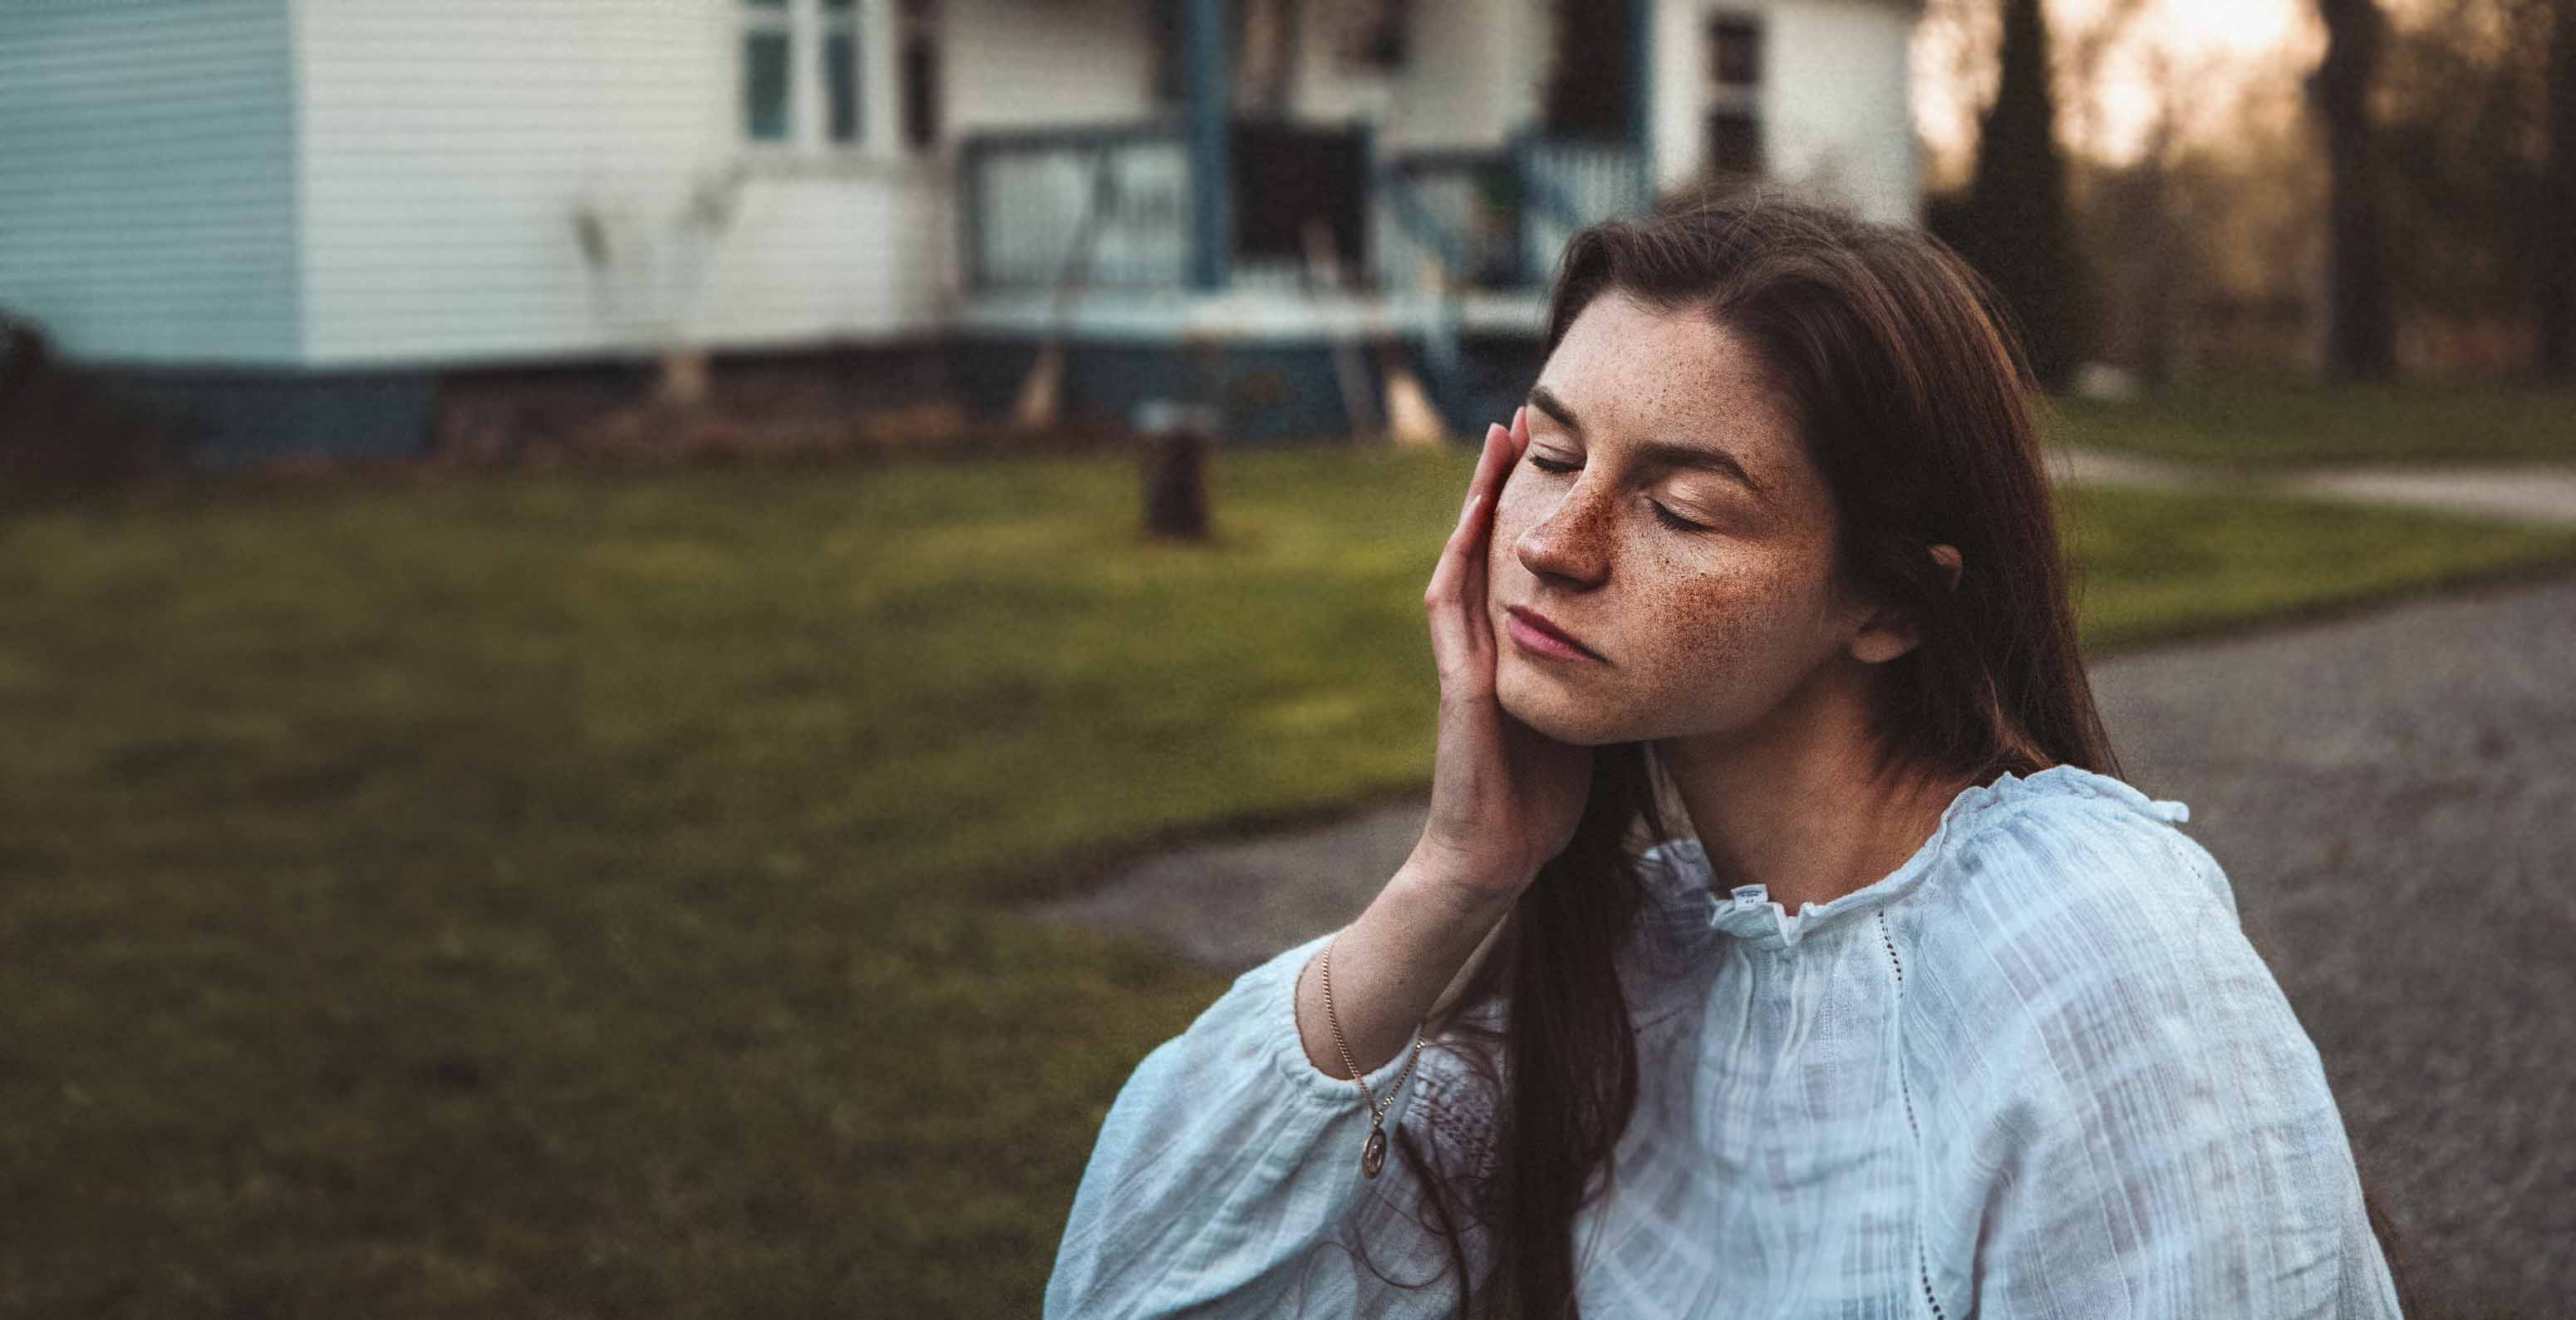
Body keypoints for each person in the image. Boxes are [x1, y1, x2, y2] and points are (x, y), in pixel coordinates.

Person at [1043, 182, 2412, 1319]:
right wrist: (1454, 874)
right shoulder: (1640, 974)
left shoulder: (2086, 955)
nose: (1552, 547)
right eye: (1553, 453)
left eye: (1682, 509)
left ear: (1888, 601)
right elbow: (1136, 1288)